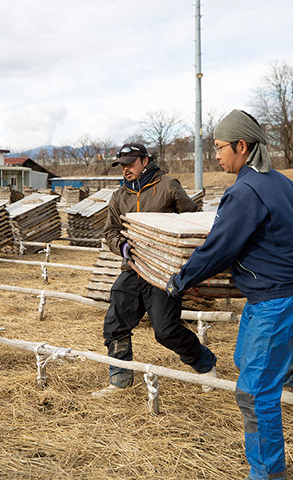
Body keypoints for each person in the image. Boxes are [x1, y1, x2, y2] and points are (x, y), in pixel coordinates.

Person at [164, 110, 293, 480]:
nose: (216, 155)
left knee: (254, 392)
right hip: (284, 294)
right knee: (247, 358)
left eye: (219, 148)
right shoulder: (282, 183)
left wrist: (180, 281)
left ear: (242, 146)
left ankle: (266, 474)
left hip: (275, 299)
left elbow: (218, 248)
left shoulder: (244, 193)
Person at [92, 142, 218, 398]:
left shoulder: (168, 187)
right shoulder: (119, 196)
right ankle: (120, 380)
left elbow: (193, 220)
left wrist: (186, 262)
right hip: (132, 269)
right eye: (122, 165)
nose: (126, 169)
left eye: (130, 164)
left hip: (163, 271)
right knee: (115, 324)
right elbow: (110, 231)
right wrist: (123, 247)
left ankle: (206, 364)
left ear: (145, 161)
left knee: (166, 330)